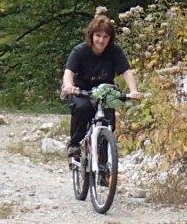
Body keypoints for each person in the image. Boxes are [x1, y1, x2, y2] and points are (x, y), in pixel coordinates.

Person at [60, 15, 141, 158]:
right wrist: (69, 86)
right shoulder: (79, 51)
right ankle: (74, 144)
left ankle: (103, 165)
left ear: (110, 38)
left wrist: (133, 90)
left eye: (105, 36)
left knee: (109, 122)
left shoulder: (115, 51)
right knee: (82, 108)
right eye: (98, 35)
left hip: (105, 91)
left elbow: (126, 71)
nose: (101, 40)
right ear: (91, 35)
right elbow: (69, 72)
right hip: (81, 91)